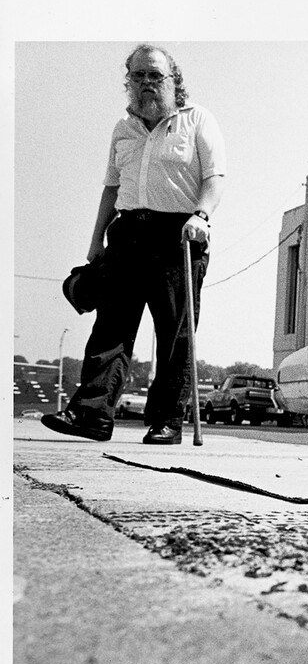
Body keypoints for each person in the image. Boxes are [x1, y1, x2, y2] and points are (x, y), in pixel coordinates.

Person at [42, 44, 226, 445]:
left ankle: (167, 421)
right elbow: (111, 187)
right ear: (129, 81)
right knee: (111, 327)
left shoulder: (197, 120)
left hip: (178, 235)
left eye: (155, 76)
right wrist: (96, 241)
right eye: (138, 76)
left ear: (174, 81)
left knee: (175, 334)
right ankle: (91, 414)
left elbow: (214, 179)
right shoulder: (122, 129)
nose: (146, 84)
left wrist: (202, 215)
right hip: (127, 233)